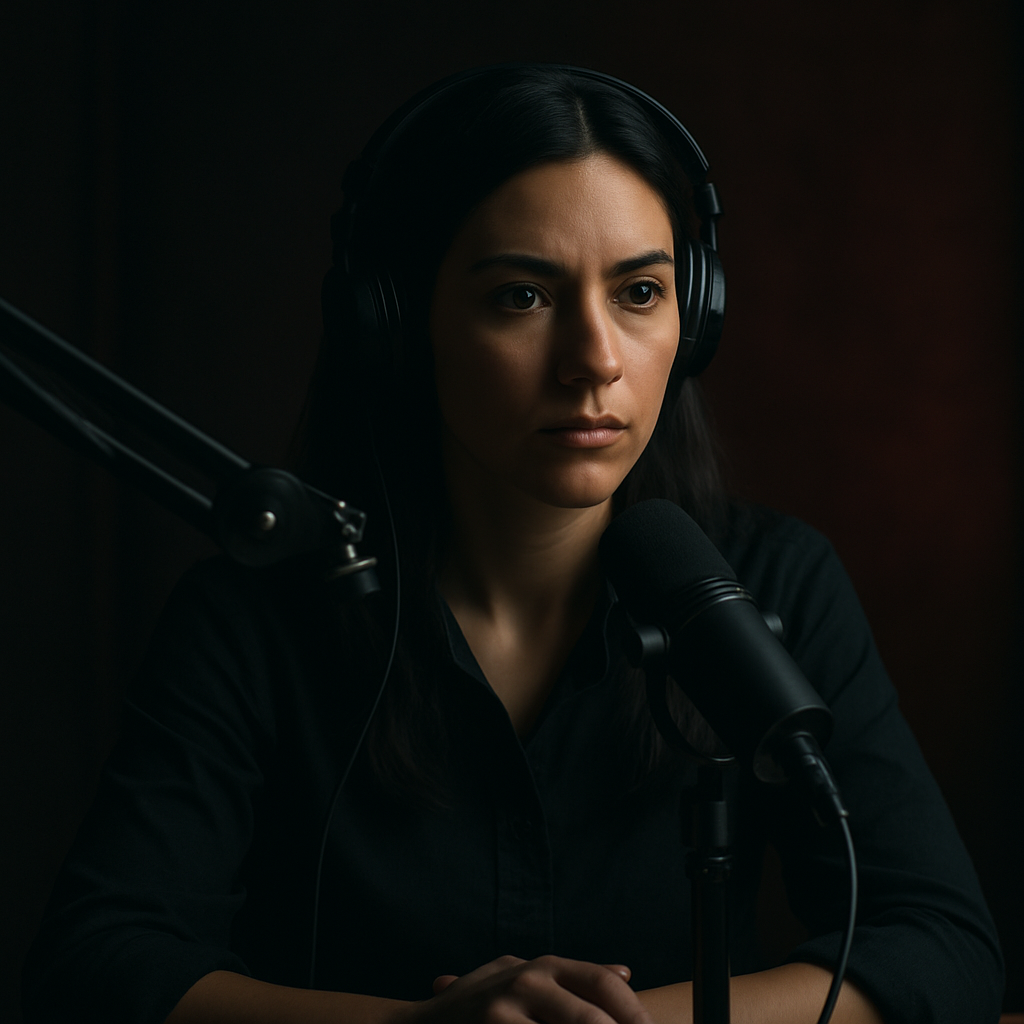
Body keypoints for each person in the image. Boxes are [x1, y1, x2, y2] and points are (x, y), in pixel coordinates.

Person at [22, 64, 1003, 1024]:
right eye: (521, 298)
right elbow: (99, 961)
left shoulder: (779, 581)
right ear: (400, 326)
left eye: (640, 292)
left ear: (693, 317)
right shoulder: (251, 621)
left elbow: (939, 945)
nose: (595, 361)